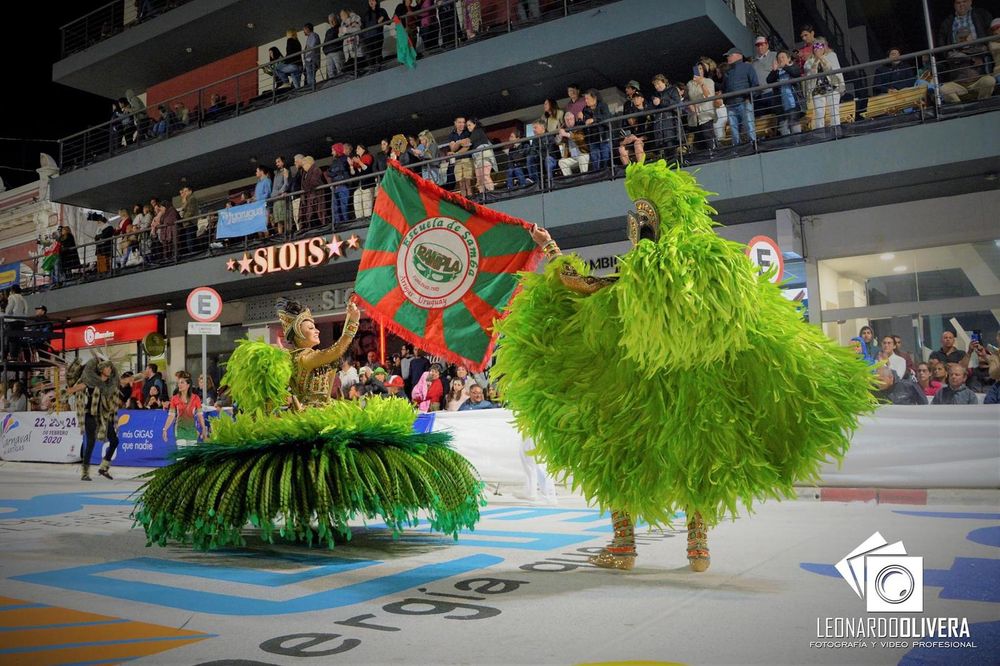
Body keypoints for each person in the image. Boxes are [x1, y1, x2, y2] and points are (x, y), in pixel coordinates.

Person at [494, 160, 876, 572]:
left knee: (616, 452)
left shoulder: (636, 285)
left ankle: (624, 545)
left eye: (639, 222)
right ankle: (698, 547)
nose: (635, 228)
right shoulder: (710, 277)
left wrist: (549, 247)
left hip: (633, 396)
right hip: (697, 397)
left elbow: (576, 283)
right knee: (699, 457)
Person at [66, 357, 120, 480]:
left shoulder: (110, 385)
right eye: (107, 367)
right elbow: (77, 388)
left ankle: (104, 467)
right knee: (90, 443)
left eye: (110, 367)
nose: (109, 369)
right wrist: (67, 391)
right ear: (101, 370)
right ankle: (85, 472)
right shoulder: (92, 382)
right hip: (91, 415)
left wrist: (139, 376)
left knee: (115, 441)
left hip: (105, 417)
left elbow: (122, 382)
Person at [803, 38, 845, 130]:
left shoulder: (832, 56)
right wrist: (816, 60)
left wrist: (821, 58)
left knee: (834, 110)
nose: (818, 49)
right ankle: (820, 133)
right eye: (815, 46)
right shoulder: (809, 61)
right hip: (817, 89)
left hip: (832, 86)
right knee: (819, 113)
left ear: (824, 46)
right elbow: (811, 73)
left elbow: (830, 69)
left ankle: (836, 131)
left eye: (820, 46)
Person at [163, 371, 206, 446]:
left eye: (182, 382)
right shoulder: (174, 398)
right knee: (182, 455)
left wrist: (204, 429)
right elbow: (171, 416)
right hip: (180, 430)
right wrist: (165, 429)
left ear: (188, 385)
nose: (179, 385)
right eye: (179, 383)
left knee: (190, 456)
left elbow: (200, 416)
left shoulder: (196, 398)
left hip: (192, 430)